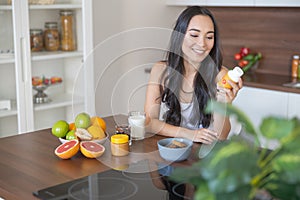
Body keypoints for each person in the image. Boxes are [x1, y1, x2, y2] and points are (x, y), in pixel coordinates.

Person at [144, 6, 243, 143]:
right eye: (194, 35)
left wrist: (223, 103)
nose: (202, 44)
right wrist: (189, 134)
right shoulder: (161, 70)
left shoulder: (220, 75)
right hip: (177, 145)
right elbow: (149, 123)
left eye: (209, 37)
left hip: (210, 151)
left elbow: (221, 136)